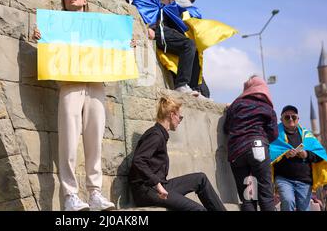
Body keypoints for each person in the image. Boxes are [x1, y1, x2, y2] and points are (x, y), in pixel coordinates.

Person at [32, 0, 117, 211]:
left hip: (96, 84)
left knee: (94, 140)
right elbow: (50, 52)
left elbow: (114, 44)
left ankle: (95, 193)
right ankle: (70, 195)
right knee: (69, 140)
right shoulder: (56, 25)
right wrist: (41, 37)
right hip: (70, 83)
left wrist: (125, 45)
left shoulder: (98, 26)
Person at [128, 95, 226, 211]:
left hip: (159, 186)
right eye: (180, 117)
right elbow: (139, 161)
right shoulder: (155, 135)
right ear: (172, 115)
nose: (180, 121)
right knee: (199, 210)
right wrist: (158, 185)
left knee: (200, 179)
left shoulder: (160, 134)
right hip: (147, 191)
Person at [134, 0, 201, 96]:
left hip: (167, 30)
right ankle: (181, 85)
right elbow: (140, 5)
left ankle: (195, 89)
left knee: (195, 48)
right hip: (157, 30)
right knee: (188, 45)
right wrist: (149, 28)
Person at [223, 75, 278, 211]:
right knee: (265, 194)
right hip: (258, 147)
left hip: (237, 152)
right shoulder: (266, 107)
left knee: (248, 196)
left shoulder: (235, 105)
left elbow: (226, 128)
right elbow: (274, 133)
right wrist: (264, 139)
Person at [269, 105, 327, 211]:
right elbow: (270, 155)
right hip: (284, 179)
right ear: (281, 119)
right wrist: (284, 155)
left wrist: (306, 154)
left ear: (298, 119)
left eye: (293, 117)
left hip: (304, 181)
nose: (291, 119)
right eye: (287, 117)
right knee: (288, 201)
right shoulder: (275, 136)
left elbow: (320, 156)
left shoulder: (307, 136)